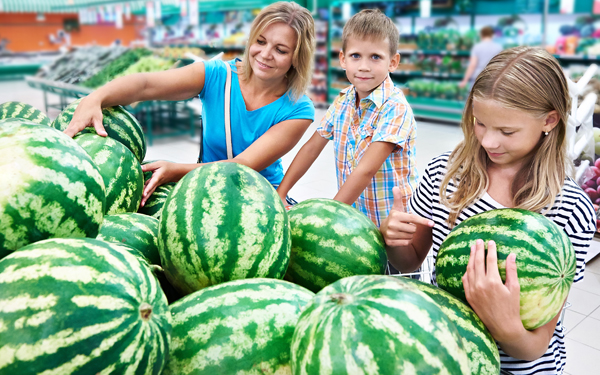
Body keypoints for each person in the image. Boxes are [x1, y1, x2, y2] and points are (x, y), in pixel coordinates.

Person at [380, 46, 596, 374]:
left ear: (549, 120)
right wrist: (396, 240)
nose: (488, 142)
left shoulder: (570, 208)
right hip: (451, 354)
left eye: (507, 131)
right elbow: (410, 261)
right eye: (480, 124)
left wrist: (503, 323)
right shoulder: (445, 174)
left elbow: (535, 346)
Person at [64, 1, 316, 206]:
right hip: (203, 187)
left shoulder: (298, 109)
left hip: (261, 200)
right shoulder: (217, 76)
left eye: (281, 50)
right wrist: (96, 98)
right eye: (260, 42)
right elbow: (145, 85)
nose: (265, 54)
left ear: (296, 57)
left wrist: (176, 170)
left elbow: (245, 165)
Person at [276, 9, 417, 228]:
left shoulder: (395, 107)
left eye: (376, 57)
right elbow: (312, 148)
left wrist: (328, 217)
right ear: (343, 59)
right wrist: (281, 193)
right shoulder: (343, 101)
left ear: (393, 62)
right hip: (354, 220)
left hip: (391, 224)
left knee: (393, 264)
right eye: (355, 56)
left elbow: (366, 170)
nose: (363, 66)